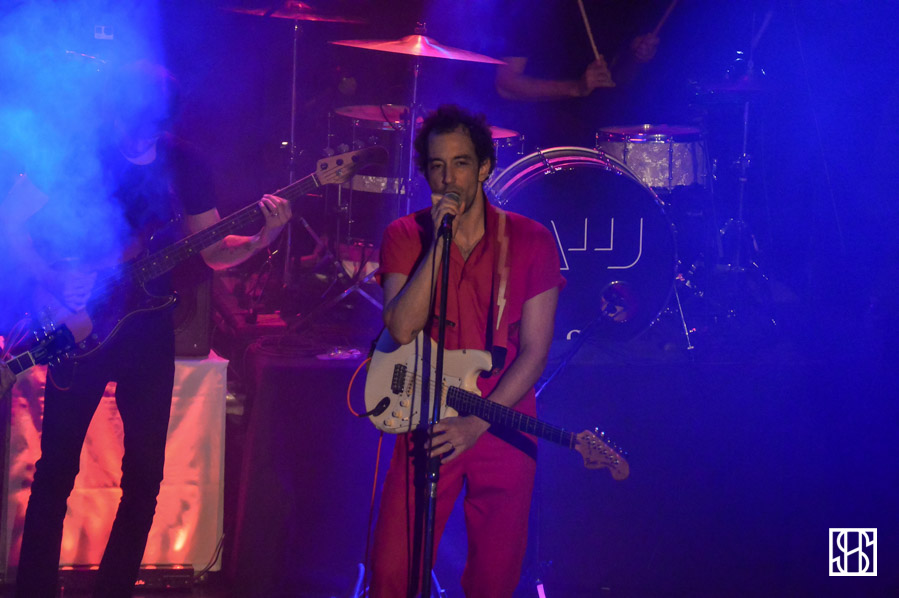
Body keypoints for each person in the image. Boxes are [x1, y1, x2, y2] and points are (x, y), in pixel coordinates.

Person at [13, 61, 292, 598]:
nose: (143, 128)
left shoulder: (185, 163)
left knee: (145, 478)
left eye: (155, 118)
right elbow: (9, 220)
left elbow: (212, 249)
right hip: (83, 322)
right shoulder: (80, 152)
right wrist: (53, 277)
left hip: (149, 330)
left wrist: (262, 239)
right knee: (56, 473)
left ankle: (114, 589)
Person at [370, 105, 564, 597]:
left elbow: (535, 353)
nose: (448, 178)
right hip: (426, 418)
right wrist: (440, 243)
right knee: (392, 571)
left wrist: (479, 422)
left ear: (484, 167)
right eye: (437, 165)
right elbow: (400, 327)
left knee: (494, 578)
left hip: (503, 421)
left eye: (460, 163)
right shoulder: (404, 235)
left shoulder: (532, 240)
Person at [494, 0, 661, 149]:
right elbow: (506, 84)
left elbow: (616, 81)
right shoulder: (530, 7)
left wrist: (637, 58)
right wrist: (576, 87)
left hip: (602, 137)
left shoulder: (619, 7)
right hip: (538, 142)